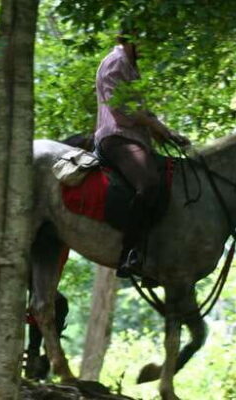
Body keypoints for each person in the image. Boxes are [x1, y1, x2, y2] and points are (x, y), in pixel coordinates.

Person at [94, 31, 190, 277]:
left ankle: (154, 249)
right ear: (130, 38)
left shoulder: (132, 67)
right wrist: (156, 127)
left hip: (135, 140)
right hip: (116, 138)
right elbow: (121, 111)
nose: (151, 45)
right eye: (146, 38)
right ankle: (129, 253)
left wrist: (168, 133)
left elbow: (143, 111)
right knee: (148, 184)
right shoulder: (115, 64)